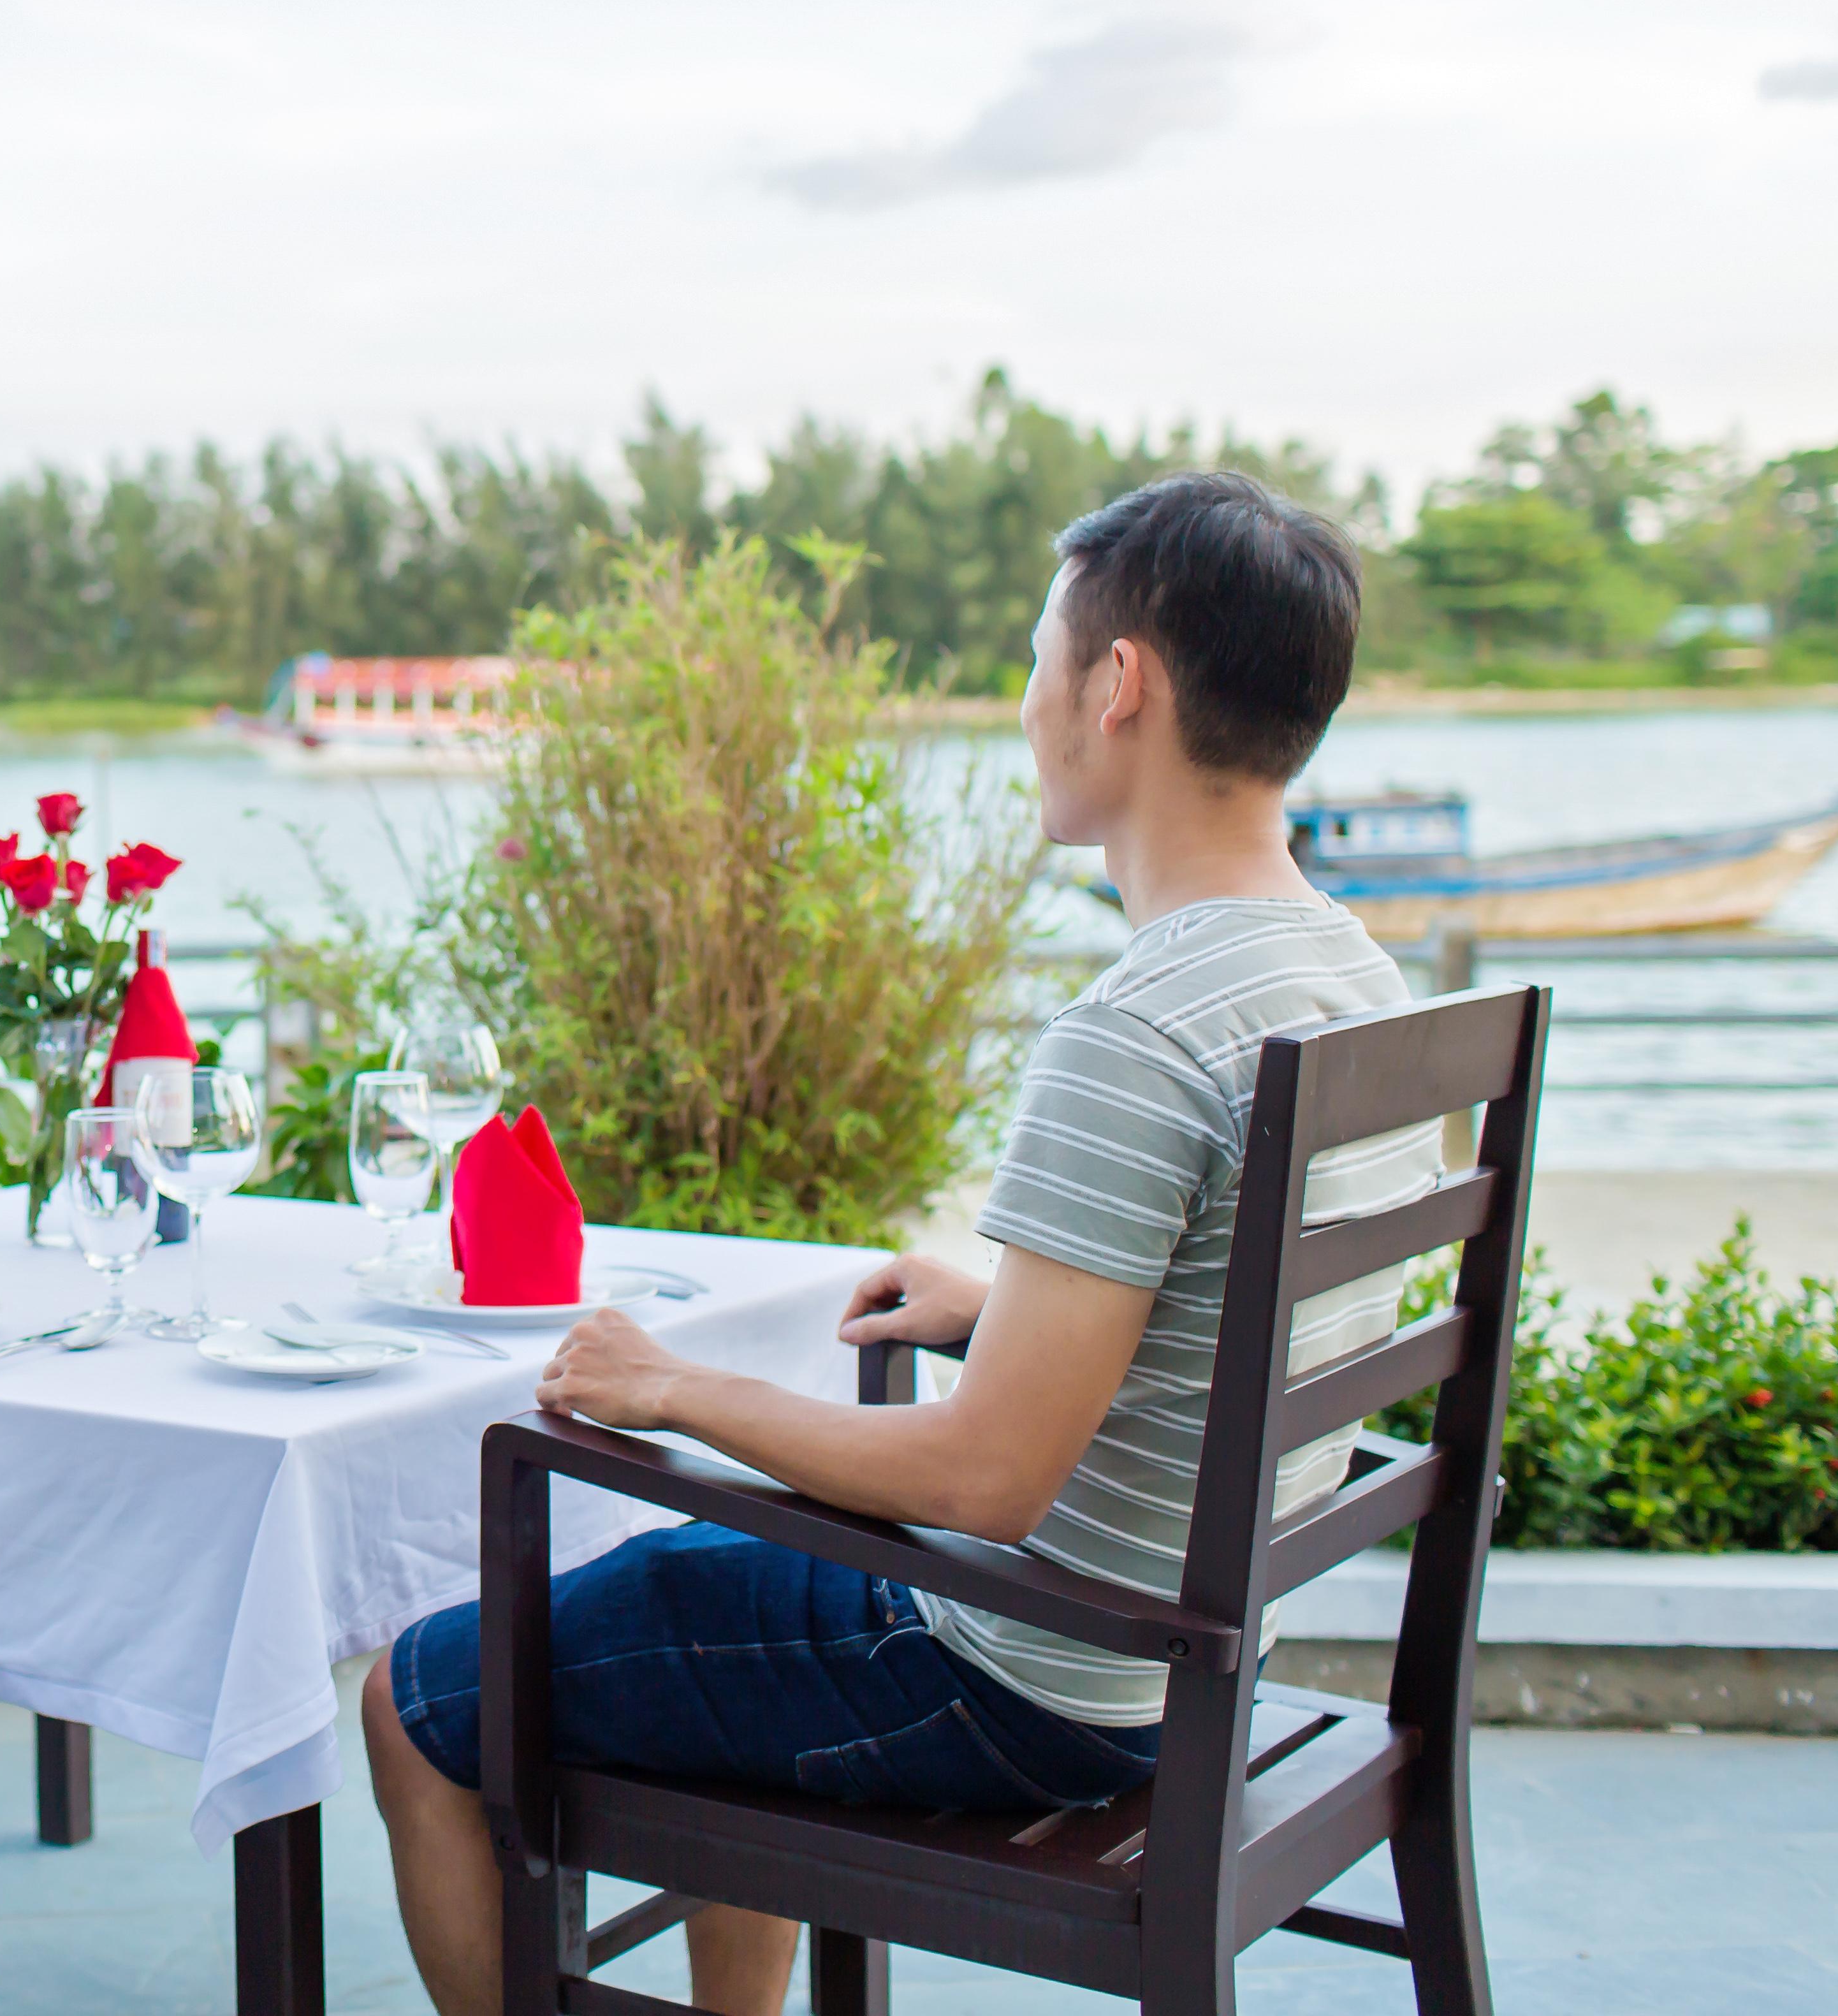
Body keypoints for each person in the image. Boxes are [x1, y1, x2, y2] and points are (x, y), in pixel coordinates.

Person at [363, 472, 1440, 2016]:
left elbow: (982, 1484)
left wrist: (668, 1388)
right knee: (689, 1589)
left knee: (426, 1699)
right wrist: (1002, 1307)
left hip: (1029, 1683)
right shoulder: (1344, 976)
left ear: (1116, 684)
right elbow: (1241, 1317)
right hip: (1192, 1663)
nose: (1026, 704)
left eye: (1036, 658)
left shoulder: (1137, 1031)